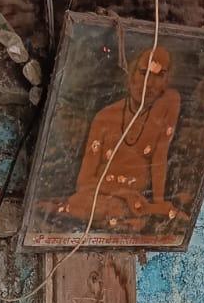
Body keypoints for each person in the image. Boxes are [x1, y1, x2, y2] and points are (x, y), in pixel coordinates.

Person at [54, 46, 182, 228]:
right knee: (101, 207)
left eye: (159, 75)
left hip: (137, 206)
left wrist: (158, 204)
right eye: (143, 72)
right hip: (99, 200)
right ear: (130, 74)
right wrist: (125, 193)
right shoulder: (104, 118)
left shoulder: (166, 106)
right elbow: (84, 182)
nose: (148, 83)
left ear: (166, 82)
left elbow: (160, 157)